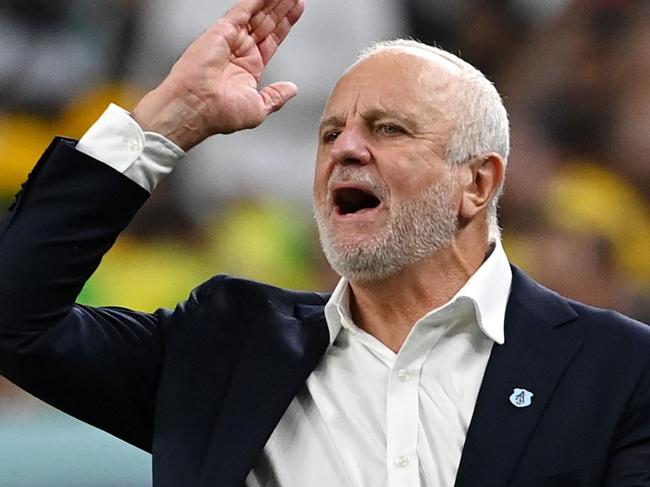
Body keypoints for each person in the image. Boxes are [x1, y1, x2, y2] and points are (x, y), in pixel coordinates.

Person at [0, 0, 648, 486]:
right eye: (329, 132)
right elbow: (13, 317)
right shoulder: (226, 346)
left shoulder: (618, 370)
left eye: (389, 128)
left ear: (478, 182)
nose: (346, 149)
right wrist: (165, 121)